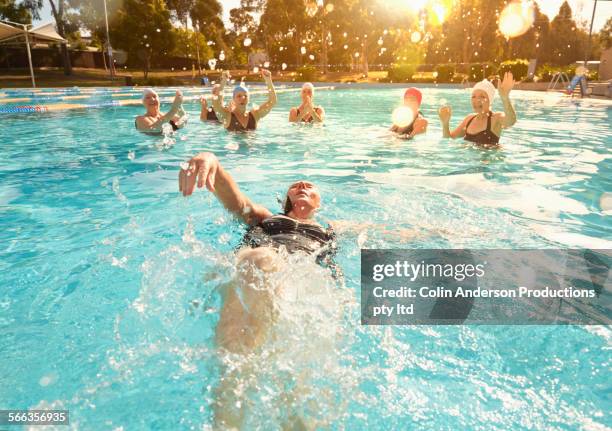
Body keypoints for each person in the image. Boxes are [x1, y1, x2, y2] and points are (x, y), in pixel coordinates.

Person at [438, 71, 516, 147]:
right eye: (473, 96)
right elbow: (448, 139)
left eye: (482, 96)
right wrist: (445, 124)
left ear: (490, 101)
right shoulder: (469, 119)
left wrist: (505, 98)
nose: (477, 100)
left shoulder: (495, 118)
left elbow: (511, 121)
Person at [212, 69, 277, 132]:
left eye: (245, 96)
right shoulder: (227, 116)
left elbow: (272, 101)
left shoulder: (255, 115)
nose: (243, 98)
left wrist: (268, 80)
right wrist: (223, 81)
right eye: (239, 96)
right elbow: (216, 103)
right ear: (233, 99)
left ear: (249, 99)